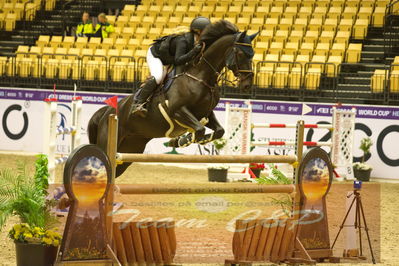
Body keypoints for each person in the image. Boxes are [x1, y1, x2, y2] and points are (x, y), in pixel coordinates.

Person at [131, 16, 211, 117]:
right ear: (198, 31)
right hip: (156, 56)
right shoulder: (183, 41)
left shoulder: (197, 41)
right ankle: (137, 103)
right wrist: (194, 51)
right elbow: (178, 60)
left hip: (170, 58)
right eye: (206, 30)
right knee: (158, 77)